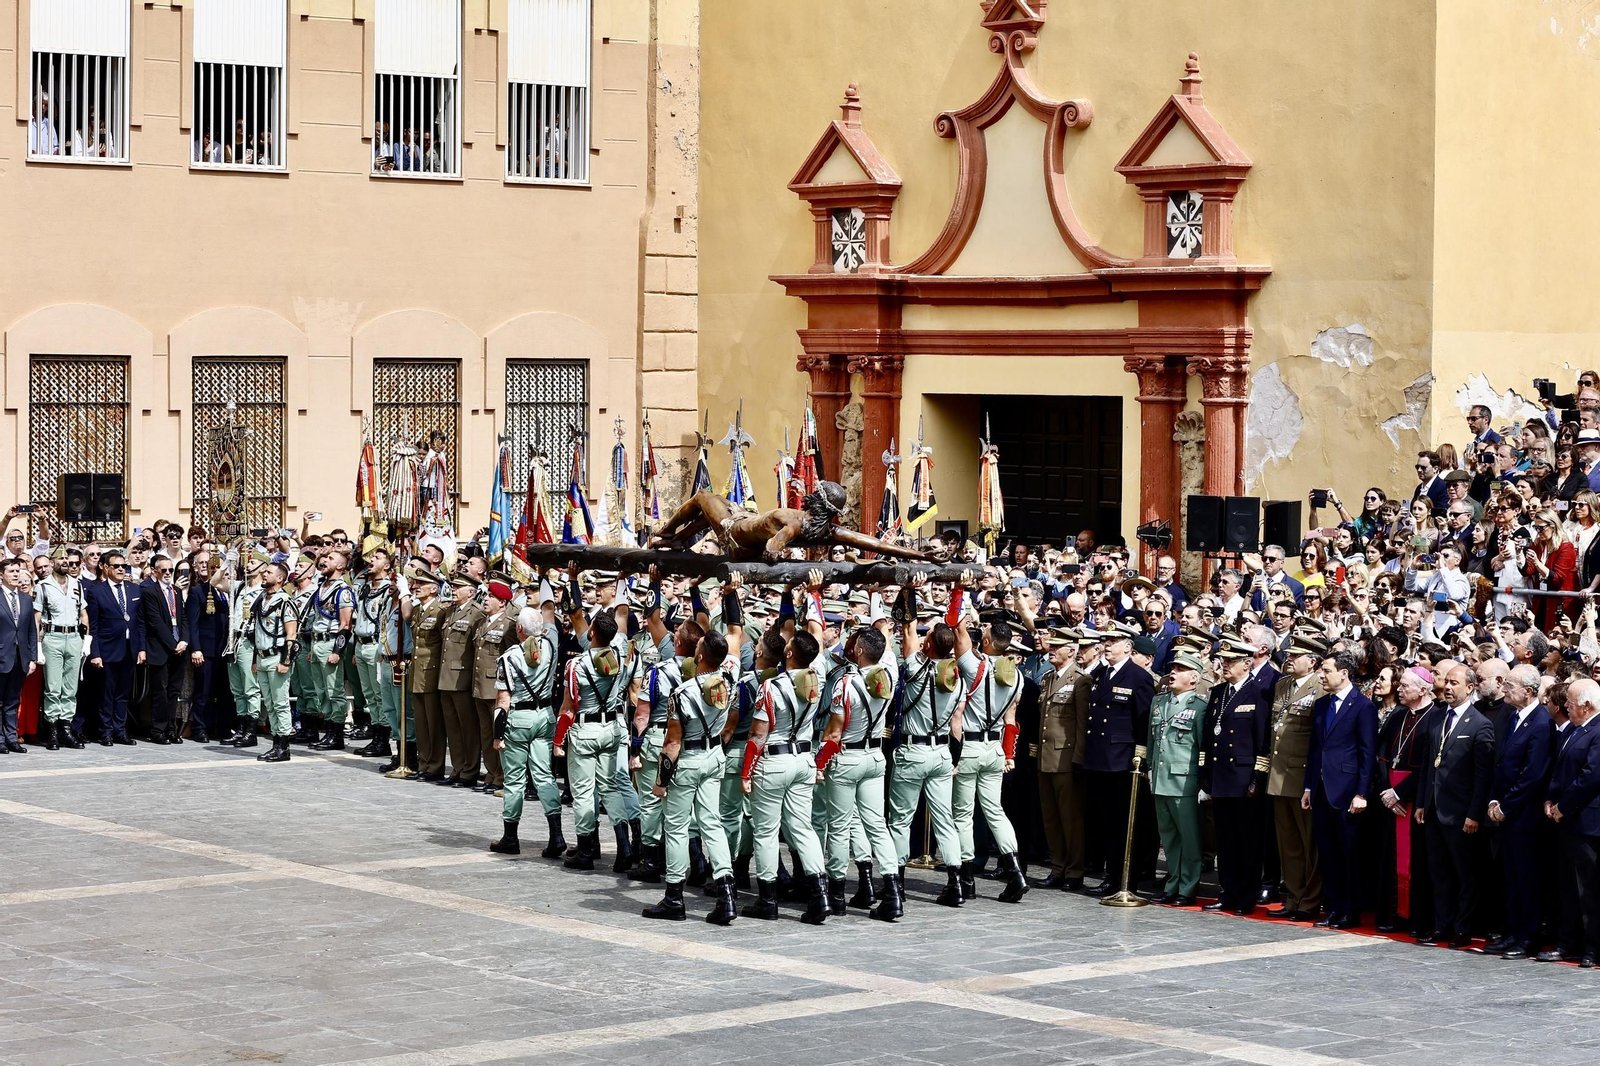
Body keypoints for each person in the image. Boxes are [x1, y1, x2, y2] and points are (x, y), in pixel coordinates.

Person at [1386, 663, 1497, 948]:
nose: (1447, 687)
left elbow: (1482, 776)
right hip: (1433, 810)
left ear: (1470, 688)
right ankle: (1442, 924)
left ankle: (1463, 927)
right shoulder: (1436, 719)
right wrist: (1422, 802)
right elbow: (1427, 767)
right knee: (1439, 872)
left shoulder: (1480, 724)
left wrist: (1474, 814)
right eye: (1445, 682)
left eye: (1454, 683)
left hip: (1461, 815)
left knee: (1464, 875)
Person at [641, 624, 741, 924]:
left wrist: (660, 781)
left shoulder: (682, 693)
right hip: (713, 756)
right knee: (712, 822)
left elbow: (672, 742)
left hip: (688, 759)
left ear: (699, 656)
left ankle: (674, 896)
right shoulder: (729, 682)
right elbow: (731, 723)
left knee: (676, 827)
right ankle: (726, 893)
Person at [948, 579, 1030, 905]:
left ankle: (966, 877)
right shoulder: (1016, 674)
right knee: (995, 811)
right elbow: (1012, 719)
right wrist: (1009, 753)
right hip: (995, 747)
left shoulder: (974, 664)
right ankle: (1016, 872)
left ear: (986, 639)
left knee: (963, 814)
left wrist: (960, 590)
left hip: (969, 746)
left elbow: (954, 627)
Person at [740, 626, 830, 922]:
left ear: (789, 653)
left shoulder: (771, 686)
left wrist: (746, 772)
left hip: (774, 760)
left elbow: (757, 734)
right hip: (804, 758)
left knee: (766, 831)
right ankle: (820, 893)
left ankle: (768, 899)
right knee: (803, 827)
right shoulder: (814, 684)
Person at [818, 621, 905, 920]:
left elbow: (833, 734)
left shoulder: (846, 683)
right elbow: (891, 653)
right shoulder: (889, 676)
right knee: (877, 826)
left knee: (839, 827)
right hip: (874, 754)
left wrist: (819, 764)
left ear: (858, 651)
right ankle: (893, 893)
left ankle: (837, 894)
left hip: (847, 757)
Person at [885, 585, 966, 905]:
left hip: (914, 751)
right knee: (945, 818)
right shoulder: (957, 675)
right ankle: (956, 883)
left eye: (926, 636)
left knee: (901, 818)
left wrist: (909, 591)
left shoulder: (917, 668)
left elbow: (906, 629)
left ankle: (897, 880)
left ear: (928, 644)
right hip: (941, 750)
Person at [1482, 664, 1555, 959]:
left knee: (1526, 879)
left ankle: (1528, 938)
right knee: (1510, 878)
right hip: (1506, 813)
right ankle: (1512, 933)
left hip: (1525, 817)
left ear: (1528, 691)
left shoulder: (1540, 723)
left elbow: (1533, 775)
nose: (1505, 689)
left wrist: (1506, 806)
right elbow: (1501, 765)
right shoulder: (1513, 717)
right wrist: (1493, 801)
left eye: (1510, 684)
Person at [554, 606, 633, 871]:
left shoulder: (576, 664)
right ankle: (624, 846)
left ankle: (586, 850)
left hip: (585, 729)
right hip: (611, 727)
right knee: (610, 787)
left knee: (584, 791)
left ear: (592, 633)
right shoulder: (619, 659)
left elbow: (567, 706)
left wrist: (557, 740)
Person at [1199, 637, 1273, 916]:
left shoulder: (1259, 693)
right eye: (1224, 660)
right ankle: (1228, 891)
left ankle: (1246, 895)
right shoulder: (1219, 692)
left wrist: (1257, 777)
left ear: (1246, 663)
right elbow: (1209, 736)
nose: (1225, 665)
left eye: (1231, 661)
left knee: (1248, 842)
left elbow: (1262, 742)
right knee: (1225, 841)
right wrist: (1205, 772)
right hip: (1221, 777)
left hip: (1244, 779)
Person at [1304, 651, 1378, 929]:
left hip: (1347, 792)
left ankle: (1351, 910)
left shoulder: (1363, 706)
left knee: (1349, 855)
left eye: (1326, 670)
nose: (1321, 675)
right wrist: (1309, 786)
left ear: (1344, 673)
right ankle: (1334, 907)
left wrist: (1362, 793)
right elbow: (1315, 749)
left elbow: (1367, 753)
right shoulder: (1322, 704)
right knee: (1329, 853)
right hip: (1323, 789)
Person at [1083, 622, 1155, 897]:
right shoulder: (1102, 674)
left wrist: (1140, 759)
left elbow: (1143, 721)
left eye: (1113, 641)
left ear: (1127, 646)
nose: (1107, 645)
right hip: (1100, 757)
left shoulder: (1138, 677)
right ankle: (1111, 875)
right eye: (1105, 640)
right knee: (1105, 821)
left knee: (1124, 823)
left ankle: (1127, 877)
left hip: (1123, 761)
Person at [489, 606, 565, 857]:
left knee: (514, 780)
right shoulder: (551, 647)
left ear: (519, 629)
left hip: (519, 719)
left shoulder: (510, 657)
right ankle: (557, 835)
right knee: (544, 776)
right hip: (544, 715)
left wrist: (498, 735)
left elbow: (503, 700)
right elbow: (551, 624)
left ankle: (510, 837)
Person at [1265, 631, 1327, 921]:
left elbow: (1317, 739)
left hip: (1302, 776)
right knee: (1287, 843)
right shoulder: (1283, 685)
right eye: (1289, 653)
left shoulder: (1321, 688)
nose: (1289, 658)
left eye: (1296, 655)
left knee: (1308, 844)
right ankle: (1293, 897)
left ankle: (1310, 901)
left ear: (1312, 661)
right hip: (1279, 775)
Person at [1541, 678, 1600, 966]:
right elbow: (1559, 769)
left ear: (1587, 705)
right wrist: (1551, 799)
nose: (1565, 707)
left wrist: (1564, 806)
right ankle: (1568, 943)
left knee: (1587, 889)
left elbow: (1591, 776)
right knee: (1566, 886)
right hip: (1565, 820)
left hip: (1587, 822)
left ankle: (1592, 947)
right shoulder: (1574, 731)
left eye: (1571, 704)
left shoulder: (1598, 731)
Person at [1146, 651, 1206, 905]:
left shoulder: (1199, 707)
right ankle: (1172, 883)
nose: (1173, 673)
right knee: (1169, 837)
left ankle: (1188, 887)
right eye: (1172, 668)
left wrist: (1203, 782)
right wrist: (1150, 768)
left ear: (1194, 678)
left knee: (1189, 838)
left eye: (1180, 669)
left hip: (1184, 782)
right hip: (1161, 778)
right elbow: (1152, 742)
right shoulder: (1158, 702)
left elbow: (1203, 748)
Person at [1034, 626, 1088, 891]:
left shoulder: (1080, 680)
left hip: (1066, 759)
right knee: (1051, 817)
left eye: (1058, 645)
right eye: (1051, 644)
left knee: (1070, 819)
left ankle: (1074, 871)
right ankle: (1058, 867)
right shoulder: (1048, 678)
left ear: (1073, 650)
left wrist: (1078, 760)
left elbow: (1080, 725)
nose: (1051, 648)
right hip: (1045, 758)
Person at [84, 550, 144, 746]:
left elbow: (140, 622)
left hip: (130, 648)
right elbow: (94, 625)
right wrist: (95, 653)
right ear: (106, 567)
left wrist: (141, 648)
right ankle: (106, 731)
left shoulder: (135, 590)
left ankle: (121, 730)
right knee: (106, 694)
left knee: (122, 694)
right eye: (116, 566)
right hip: (108, 649)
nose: (120, 569)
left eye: (123, 566)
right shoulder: (96, 591)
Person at [33, 546, 85, 750]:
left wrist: (85, 641)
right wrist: (37, 645)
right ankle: (52, 730)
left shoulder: (77, 585)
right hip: (52, 636)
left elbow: (83, 613)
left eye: (67, 558)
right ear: (52, 562)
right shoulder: (43, 586)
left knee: (70, 688)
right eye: (61, 558)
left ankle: (66, 728)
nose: (65, 561)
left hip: (73, 636)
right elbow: (37, 617)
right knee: (53, 687)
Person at [470, 578, 518, 795]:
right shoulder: (482, 623)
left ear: (503, 603)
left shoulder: (508, 625)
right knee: (485, 733)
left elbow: (510, 658)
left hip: (496, 687)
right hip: (480, 685)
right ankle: (491, 772)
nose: (486, 600)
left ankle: (502, 775)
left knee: (499, 733)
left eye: (492, 597)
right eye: (487, 595)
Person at [304, 551, 356, 749]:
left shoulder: (342, 591)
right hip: (317, 642)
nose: (325, 561)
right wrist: (312, 648)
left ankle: (336, 734)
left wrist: (337, 651)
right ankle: (328, 730)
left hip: (330, 642)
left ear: (341, 567)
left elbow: (345, 624)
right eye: (325, 558)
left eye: (331, 559)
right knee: (321, 691)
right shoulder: (322, 588)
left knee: (334, 691)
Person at [436, 574, 485, 785]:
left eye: (458, 587)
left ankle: (470, 771)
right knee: (453, 728)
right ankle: (457, 768)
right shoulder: (450, 611)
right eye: (453, 586)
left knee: (468, 728)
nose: (453, 589)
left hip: (463, 678)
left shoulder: (477, 614)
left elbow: (478, 650)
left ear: (471, 592)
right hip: (446, 676)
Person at [249, 561, 299, 763]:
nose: (264, 573)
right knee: (269, 703)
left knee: (280, 703)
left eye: (268, 572)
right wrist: (254, 658)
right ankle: (275, 743)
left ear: (280, 578)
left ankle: (283, 746)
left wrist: (286, 660)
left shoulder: (285, 601)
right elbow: (257, 631)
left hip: (277, 656)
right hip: (262, 656)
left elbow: (292, 633)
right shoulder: (262, 599)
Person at [139, 557, 188, 744]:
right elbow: (156, 622)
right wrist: (173, 644)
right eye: (164, 570)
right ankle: (158, 729)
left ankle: (171, 728)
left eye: (170, 570)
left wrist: (184, 640)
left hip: (179, 647)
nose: (168, 573)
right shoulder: (150, 592)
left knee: (174, 691)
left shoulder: (176, 591)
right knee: (160, 690)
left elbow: (183, 618)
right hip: (161, 647)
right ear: (155, 571)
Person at [409, 567, 449, 782]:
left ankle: (435, 766)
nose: (416, 587)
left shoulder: (440, 612)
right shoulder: (418, 611)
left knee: (434, 723)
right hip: (417, 672)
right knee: (421, 723)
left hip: (432, 673)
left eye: (421, 584)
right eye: (415, 583)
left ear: (434, 589)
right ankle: (424, 762)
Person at [0, 557, 38, 754]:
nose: (16, 575)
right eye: (11, 572)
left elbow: (31, 629)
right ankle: (0, 740)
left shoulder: (25, 598)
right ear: (1, 575)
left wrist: (32, 657)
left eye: (17, 571)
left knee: (13, 700)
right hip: (2, 655)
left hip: (20, 656)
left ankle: (12, 738)